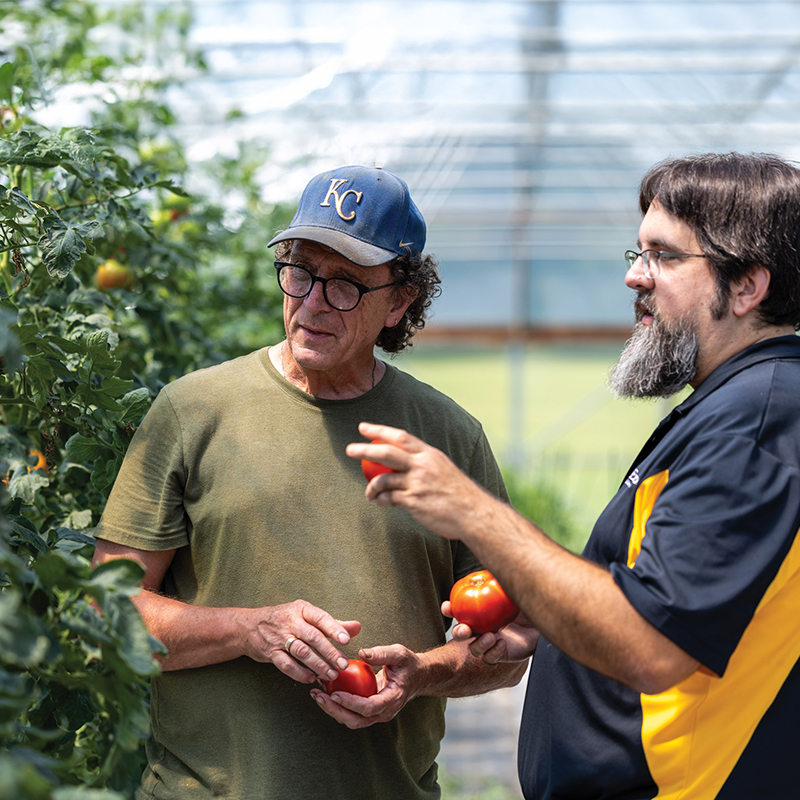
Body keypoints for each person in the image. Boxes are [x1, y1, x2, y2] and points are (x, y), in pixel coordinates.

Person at [347, 152, 800, 800]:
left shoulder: (753, 424)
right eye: (636, 253)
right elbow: (669, 602)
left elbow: (653, 646)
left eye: (664, 257)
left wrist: (471, 510)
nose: (633, 277)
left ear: (748, 286)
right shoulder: (734, 404)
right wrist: (550, 619)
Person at [91, 165, 526, 800]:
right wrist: (249, 630)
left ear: (399, 301)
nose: (314, 302)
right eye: (300, 272)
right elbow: (107, 615)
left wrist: (423, 674)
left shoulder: (449, 436)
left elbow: (507, 647)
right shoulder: (193, 412)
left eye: (346, 284)